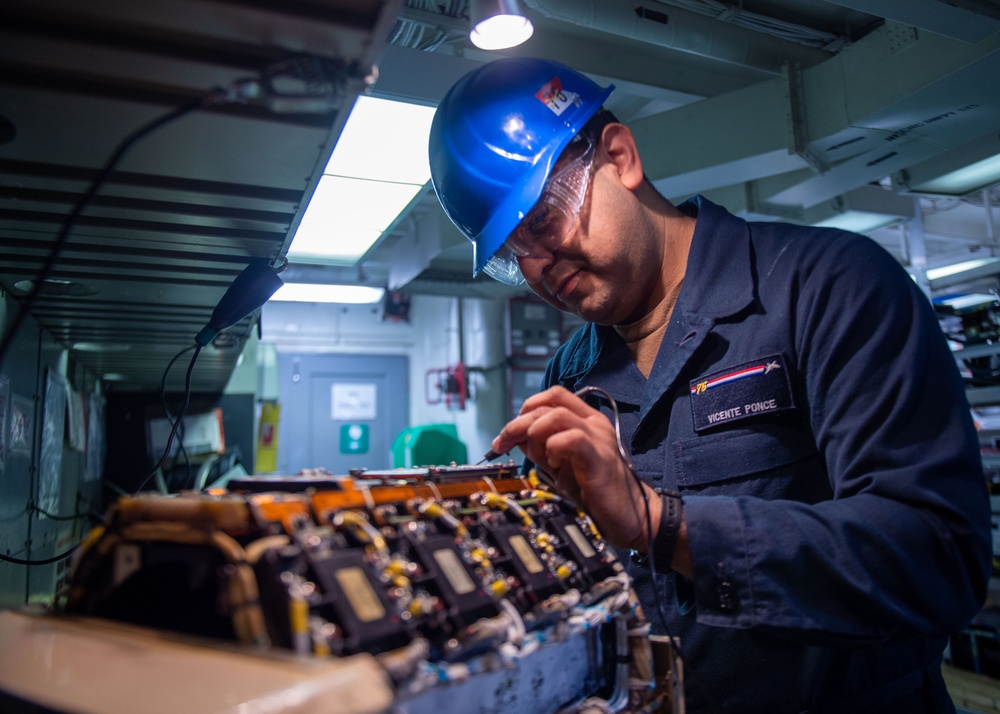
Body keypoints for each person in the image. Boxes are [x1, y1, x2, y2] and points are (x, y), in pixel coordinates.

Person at [427, 57, 992, 712]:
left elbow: (939, 559)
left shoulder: (828, 288)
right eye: (511, 255)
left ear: (620, 156)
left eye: (545, 220)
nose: (539, 267)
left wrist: (664, 525)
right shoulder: (572, 379)